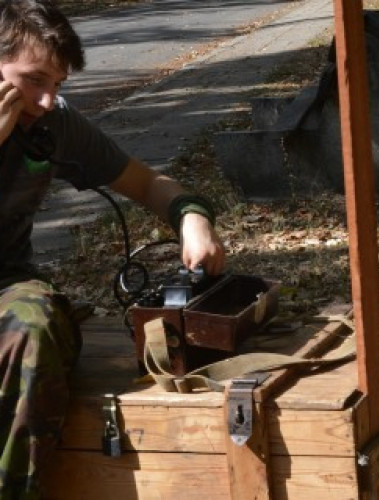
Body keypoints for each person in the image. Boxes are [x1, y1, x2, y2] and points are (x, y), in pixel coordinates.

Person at [0, 0, 225, 497]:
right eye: (33, 79)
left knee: (35, 325)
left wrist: (192, 217)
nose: (45, 101)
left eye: (56, 86)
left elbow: (147, 183)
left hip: (6, 288)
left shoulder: (52, 123)